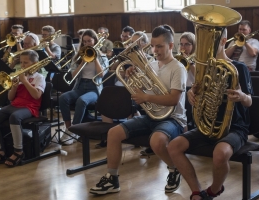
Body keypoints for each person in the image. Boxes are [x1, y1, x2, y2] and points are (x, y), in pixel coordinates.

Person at [89, 25, 187, 195]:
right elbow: (145, 89)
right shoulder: (151, 64)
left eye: (160, 46)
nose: (155, 50)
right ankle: (112, 178)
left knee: (156, 141)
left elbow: (173, 99)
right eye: (153, 46)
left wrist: (146, 98)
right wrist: (131, 76)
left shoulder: (178, 68)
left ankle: (174, 168)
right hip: (151, 115)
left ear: (171, 46)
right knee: (113, 133)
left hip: (173, 118)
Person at [168, 28, 253, 200]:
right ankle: (197, 191)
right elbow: (198, 91)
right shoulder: (203, 66)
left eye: (213, 41)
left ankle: (213, 190)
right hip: (207, 124)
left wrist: (242, 96)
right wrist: (193, 94)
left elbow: (249, 101)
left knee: (220, 153)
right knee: (173, 146)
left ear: (223, 41)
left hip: (235, 127)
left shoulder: (239, 67)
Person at [0, 50, 46, 167]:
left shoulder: (39, 77)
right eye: (21, 63)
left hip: (29, 107)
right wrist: (14, 87)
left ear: (35, 63)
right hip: (14, 105)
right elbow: (10, 98)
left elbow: (36, 96)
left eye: (26, 63)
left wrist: (25, 81)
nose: (22, 65)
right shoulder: (18, 76)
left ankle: (18, 151)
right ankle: (0, 151)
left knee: (15, 117)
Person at [59, 29, 109, 145]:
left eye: (90, 41)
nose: (87, 44)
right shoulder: (78, 56)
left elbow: (101, 75)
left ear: (95, 41)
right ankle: (68, 129)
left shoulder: (102, 57)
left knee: (82, 101)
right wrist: (82, 61)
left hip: (94, 88)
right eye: (85, 41)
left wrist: (95, 58)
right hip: (80, 86)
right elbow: (73, 76)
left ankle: (75, 130)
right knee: (63, 98)